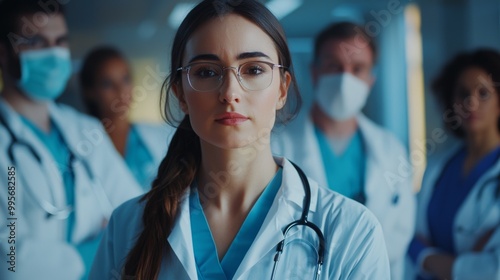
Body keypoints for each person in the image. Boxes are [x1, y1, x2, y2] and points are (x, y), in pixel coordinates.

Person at [90, 1, 390, 279]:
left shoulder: (352, 231)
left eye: (254, 70)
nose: (229, 92)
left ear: (282, 90)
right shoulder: (128, 226)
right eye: (207, 72)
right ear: (181, 93)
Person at [0, 1, 142, 279]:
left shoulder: (85, 130)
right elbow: (12, 264)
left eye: (60, 41)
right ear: (3, 53)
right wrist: (96, 250)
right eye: (37, 42)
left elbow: (140, 217)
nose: (53, 53)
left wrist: (58, 257)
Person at [271, 21, 415, 279]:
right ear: (314, 72)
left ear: (370, 79)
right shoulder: (276, 145)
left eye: (357, 68)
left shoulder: (391, 150)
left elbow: (400, 232)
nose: (344, 78)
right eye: (334, 66)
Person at [408, 49, 500, 280]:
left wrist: (426, 258)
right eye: (463, 93)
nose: (471, 102)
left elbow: (493, 271)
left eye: (483, 93)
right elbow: (409, 235)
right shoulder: (440, 167)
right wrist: (460, 263)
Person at [79, 46, 174, 189]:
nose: (120, 90)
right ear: (90, 92)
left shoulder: (161, 135)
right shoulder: (83, 143)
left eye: (125, 79)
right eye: (107, 83)